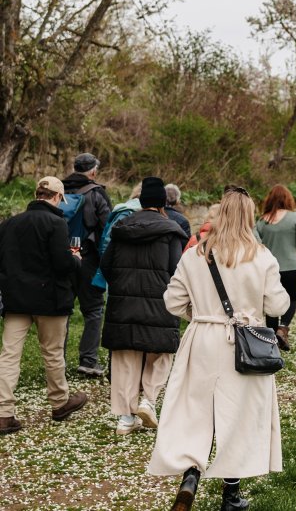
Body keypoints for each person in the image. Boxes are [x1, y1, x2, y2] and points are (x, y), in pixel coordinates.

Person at [148, 185, 290, 511]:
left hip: (201, 339)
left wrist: (199, 314)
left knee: (196, 411)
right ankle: (231, 494)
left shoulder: (195, 254)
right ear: (250, 217)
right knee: (238, 417)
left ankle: (191, 474)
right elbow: (278, 302)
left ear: (220, 214)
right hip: (244, 343)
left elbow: (172, 302)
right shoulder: (261, 256)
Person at [99, 177, 188, 435]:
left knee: (126, 358)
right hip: (160, 304)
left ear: (140, 201)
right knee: (160, 355)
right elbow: (176, 271)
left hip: (123, 304)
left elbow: (105, 265)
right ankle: (148, 400)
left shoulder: (122, 227)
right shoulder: (170, 231)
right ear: (162, 203)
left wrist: (123, 284)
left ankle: (126, 418)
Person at [0, 177, 88, 434]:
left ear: (37, 194)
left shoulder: (9, 224)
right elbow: (62, 264)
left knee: (9, 355)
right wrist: (76, 260)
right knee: (52, 353)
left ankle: (3, 412)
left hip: (16, 299)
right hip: (50, 300)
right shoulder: (56, 222)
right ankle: (60, 403)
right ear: (58, 197)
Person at [62, 152, 112, 377]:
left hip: (60, 257)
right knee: (93, 309)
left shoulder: (59, 189)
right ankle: (88, 361)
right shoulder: (97, 193)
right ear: (93, 171)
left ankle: (57, 362)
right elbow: (107, 228)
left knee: (62, 311)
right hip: (88, 258)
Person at [254, 184, 296, 351]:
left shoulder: (262, 220)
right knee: (292, 298)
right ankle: (283, 327)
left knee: (271, 301)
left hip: (269, 268)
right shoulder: (294, 218)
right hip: (290, 267)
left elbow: (256, 242)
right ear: (288, 199)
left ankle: (271, 337)